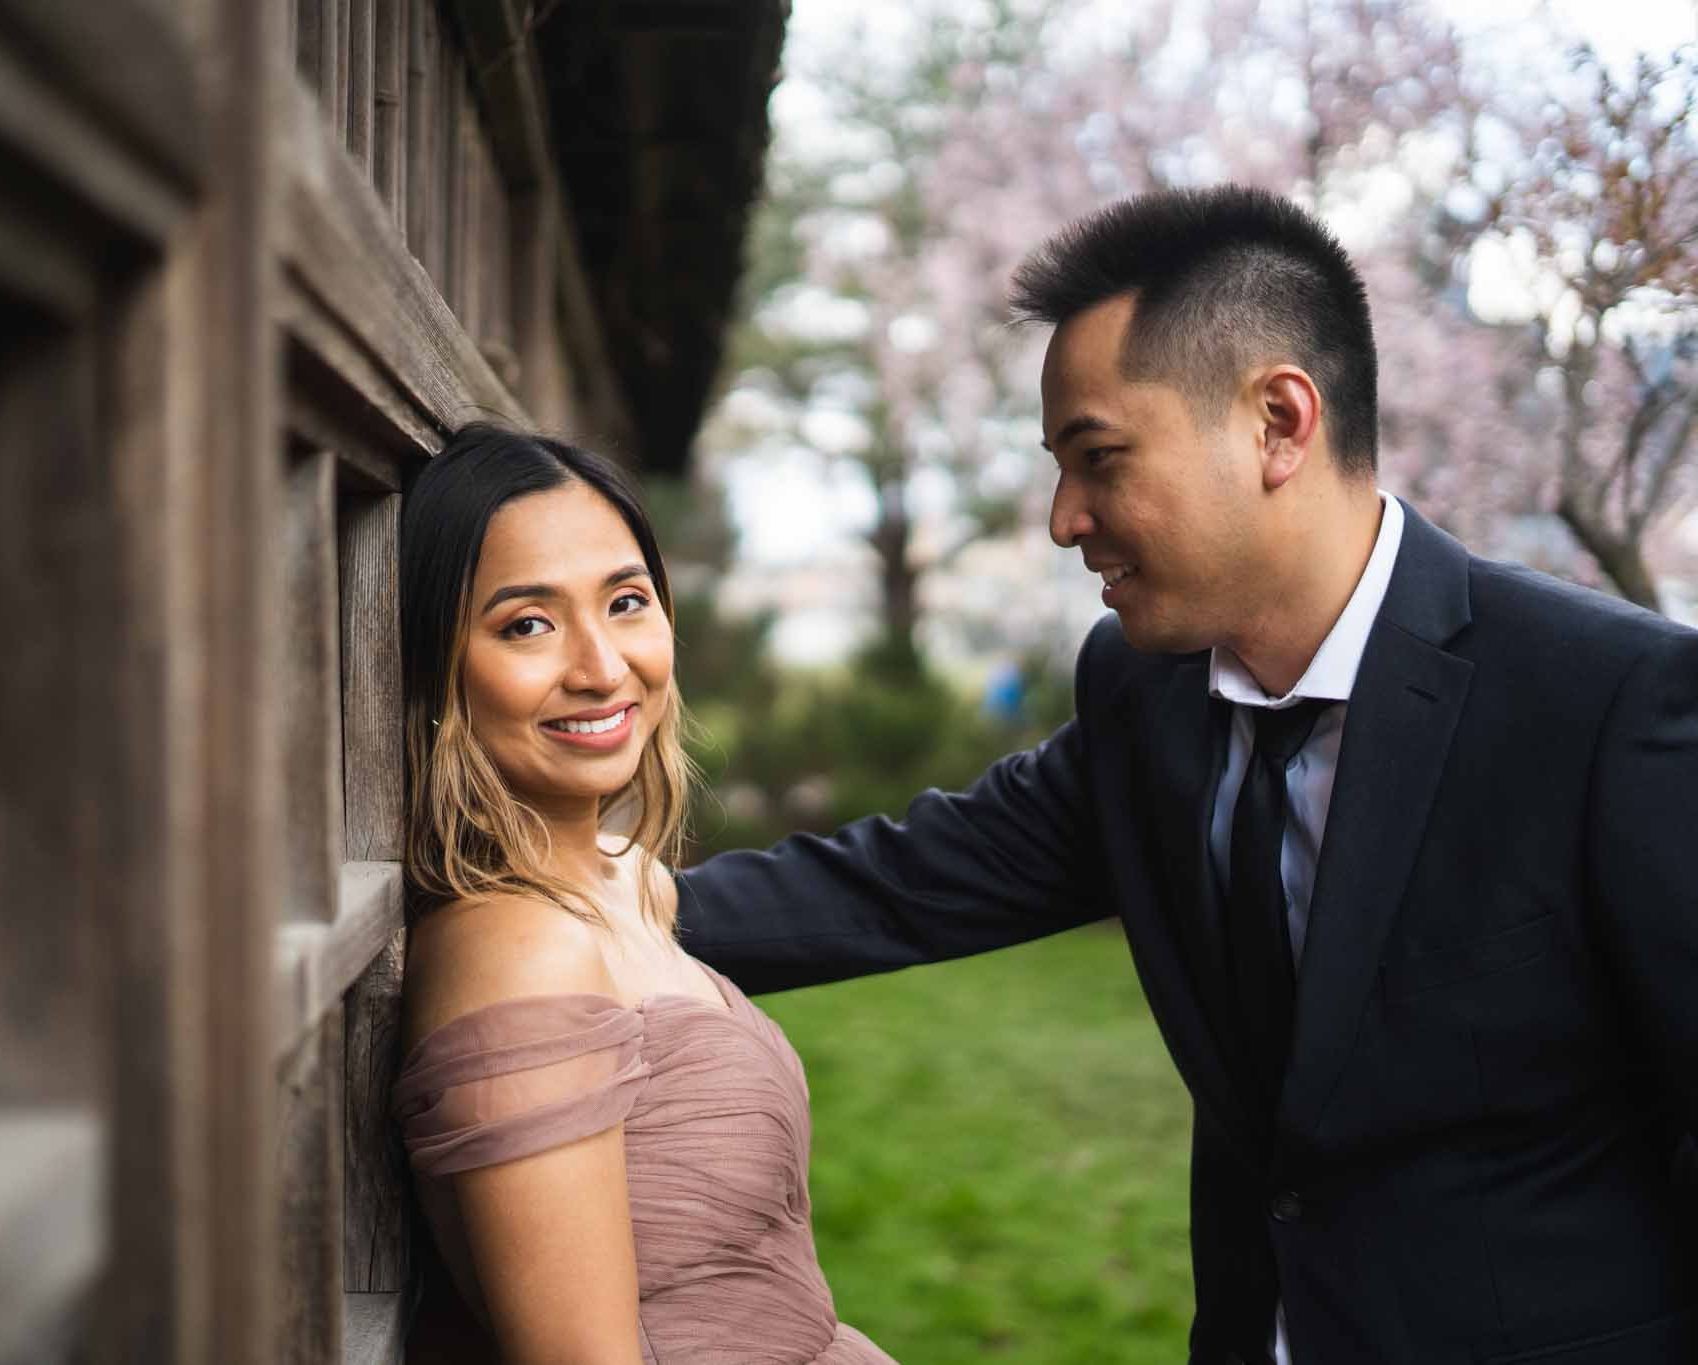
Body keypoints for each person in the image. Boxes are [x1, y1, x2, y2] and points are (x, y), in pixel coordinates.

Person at [677, 186, 1698, 1364]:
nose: (1065, 520)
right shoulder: (1139, 692)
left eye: (1098, 459)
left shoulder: (1607, 700)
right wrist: (582, 917)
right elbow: (900, 883)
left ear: (1276, 421)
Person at [388, 424, 895, 1365]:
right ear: (437, 667)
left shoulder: (630, 880)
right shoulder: (517, 948)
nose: (600, 665)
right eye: (525, 624)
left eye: (626, 601)